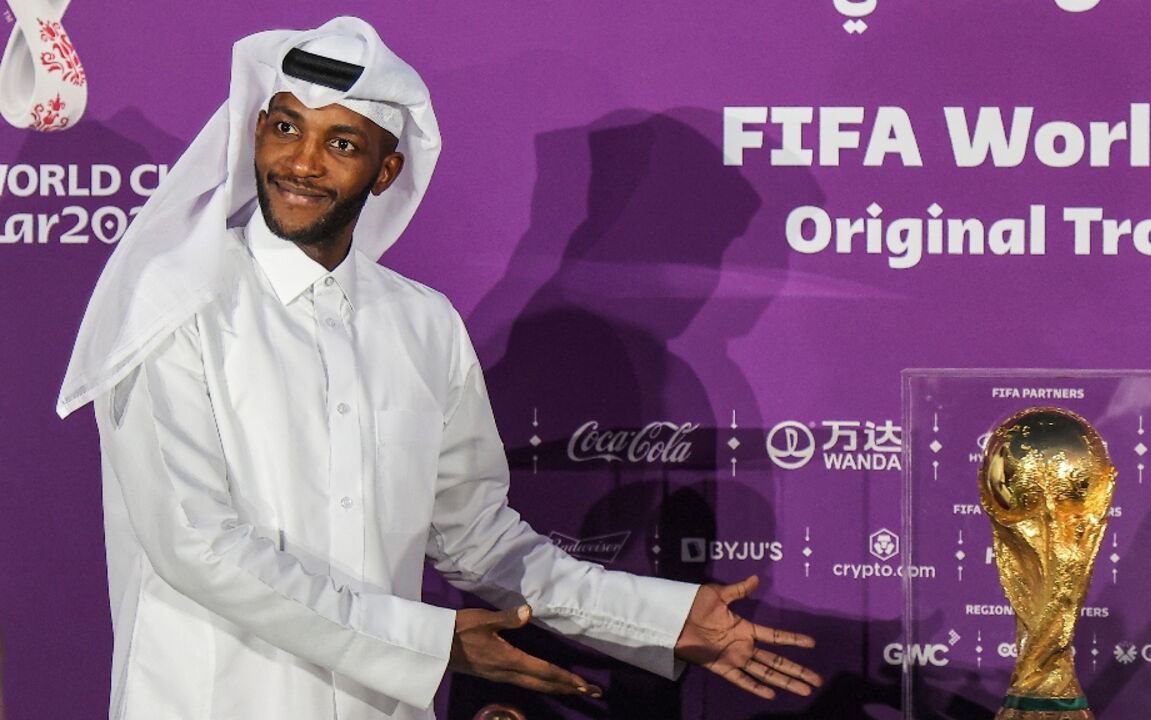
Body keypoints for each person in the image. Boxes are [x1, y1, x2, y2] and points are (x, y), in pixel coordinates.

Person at [56, 16, 820, 720]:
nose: (301, 162)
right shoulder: (175, 300)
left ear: (387, 171)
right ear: (254, 133)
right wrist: (430, 643)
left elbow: (477, 540)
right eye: (285, 127)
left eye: (341, 143)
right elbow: (198, 544)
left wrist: (657, 617)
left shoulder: (422, 325)